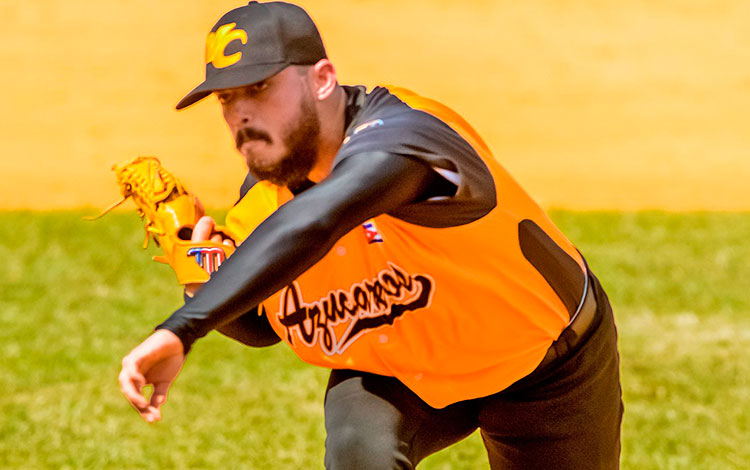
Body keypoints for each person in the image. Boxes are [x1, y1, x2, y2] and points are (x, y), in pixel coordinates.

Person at [118, 2, 623, 468]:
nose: (241, 114)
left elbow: (321, 218)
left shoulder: (405, 137)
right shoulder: (262, 205)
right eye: (226, 98)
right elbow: (263, 326)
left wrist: (182, 327)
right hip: (398, 369)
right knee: (361, 452)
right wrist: (200, 275)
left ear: (322, 79)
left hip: (544, 363)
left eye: (261, 87)